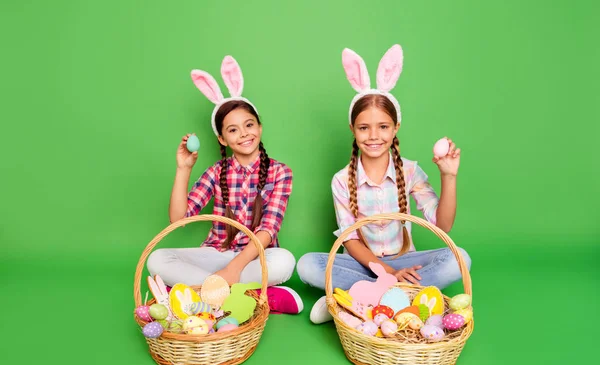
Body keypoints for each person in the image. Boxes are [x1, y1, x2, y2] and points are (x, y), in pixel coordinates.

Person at [297, 44, 471, 324]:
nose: (373, 136)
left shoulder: (411, 171)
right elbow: (350, 241)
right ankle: (399, 298)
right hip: (361, 263)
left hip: (403, 262)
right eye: (364, 127)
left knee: (459, 259)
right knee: (307, 265)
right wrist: (385, 273)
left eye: (383, 127)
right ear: (352, 129)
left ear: (396, 128)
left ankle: (354, 300)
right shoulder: (342, 180)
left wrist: (449, 176)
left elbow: (443, 225)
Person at [147, 55, 303, 315]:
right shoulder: (215, 172)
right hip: (215, 256)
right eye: (233, 130)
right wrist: (183, 169)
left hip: (254, 257)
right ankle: (249, 295)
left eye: (249, 124)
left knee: (285, 261)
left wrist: (235, 268)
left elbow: (268, 230)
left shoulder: (280, 172)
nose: (244, 134)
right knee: (157, 259)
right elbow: (178, 219)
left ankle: (201, 294)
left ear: (260, 126)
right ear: (222, 138)